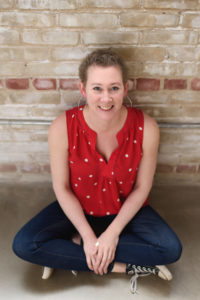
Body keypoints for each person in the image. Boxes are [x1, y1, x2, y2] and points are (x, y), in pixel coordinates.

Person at [12, 48, 182, 294]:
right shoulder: (62, 127)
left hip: (125, 209)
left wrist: (112, 234)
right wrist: (88, 236)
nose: (106, 98)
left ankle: (67, 253)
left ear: (126, 88)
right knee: (24, 244)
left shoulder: (147, 127)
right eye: (97, 88)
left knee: (170, 249)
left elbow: (142, 187)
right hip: (78, 208)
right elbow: (61, 187)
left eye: (114, 88)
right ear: (83, 89)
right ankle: (124, 267)